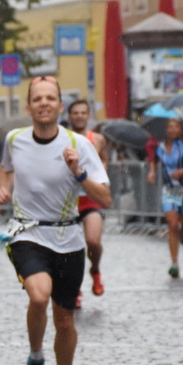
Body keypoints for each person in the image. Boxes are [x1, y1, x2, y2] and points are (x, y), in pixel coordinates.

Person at [0, 76, 111, 365]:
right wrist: (4, 189)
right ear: (28, 107)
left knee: (64, 320)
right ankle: (35, 357)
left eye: (50, 98)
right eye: (37, 99)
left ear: (60, 107)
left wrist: (78, 174)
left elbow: (104, 198)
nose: (44, 103)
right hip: (27, 233)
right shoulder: (14, 140)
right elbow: (6, 168)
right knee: (38, 295)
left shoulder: (78, 143)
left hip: (68, 239)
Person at [66, 100, 109, 296]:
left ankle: (96, 270)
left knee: (92, 242)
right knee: (70, 249)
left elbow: (104, 159)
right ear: (69, 116)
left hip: (90, 198)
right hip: (68, 199)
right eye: (75, 113)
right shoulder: (62, 138)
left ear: (88, 116)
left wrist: (101, 175)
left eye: (83, 112)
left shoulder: (97, 139)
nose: (79, 116)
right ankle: (74, 289)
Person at [151, 116, 183, 278]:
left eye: (176, 127)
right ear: (165, 130)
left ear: (180, 130)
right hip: (170, 190)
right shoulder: (159, 147)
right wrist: (151, 172)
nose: (173, 130)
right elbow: (154, 161)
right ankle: (174, 263)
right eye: (170, 127)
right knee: (172, 225)